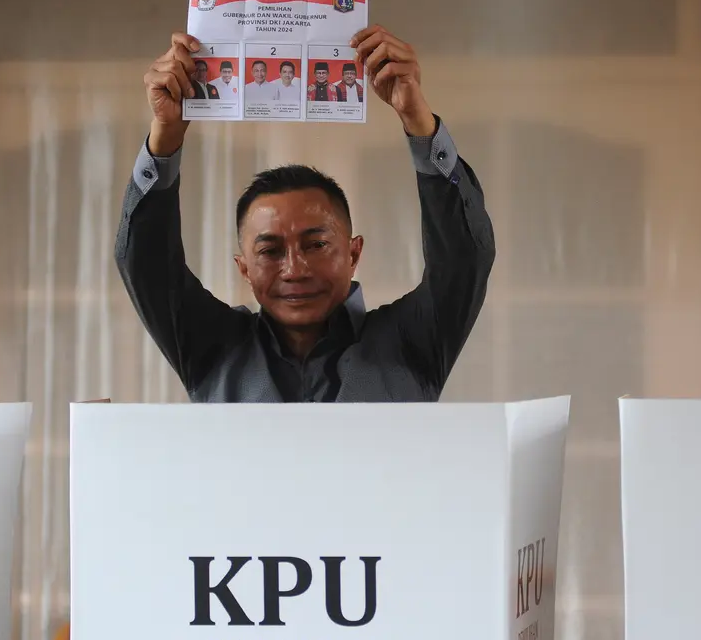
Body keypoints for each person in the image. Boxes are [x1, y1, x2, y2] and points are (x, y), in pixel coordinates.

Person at [122, 25, 495, 403]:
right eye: (270, 250)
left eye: (316, 244)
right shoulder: (212, 348)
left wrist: (418, 120)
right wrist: (166, 134)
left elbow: (462, 259)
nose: (294, 269)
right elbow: (147, 265)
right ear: (244, 268)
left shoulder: (412, 341)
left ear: (353, 253)